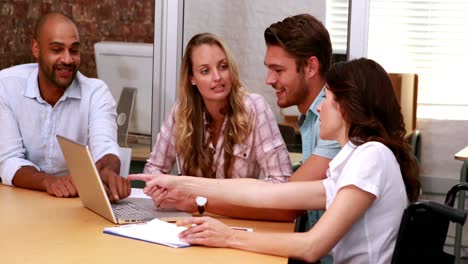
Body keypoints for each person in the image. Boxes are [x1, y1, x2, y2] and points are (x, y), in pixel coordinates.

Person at [131, 58, 421, 263]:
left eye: (328, 98)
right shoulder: (359, 158)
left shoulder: (372, 157)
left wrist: (228, 236)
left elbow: (311, 246)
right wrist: (180, 182)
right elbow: (266, 192)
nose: (320, 106)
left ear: (347, 108)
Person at [141, 32, 292, 212]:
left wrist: (203, 203)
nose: (217, 77)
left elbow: (281, 183)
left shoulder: (254, 108)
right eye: (205, 71)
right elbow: (154, 170)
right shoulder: (181, 112)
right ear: (192, 78)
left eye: (222, 67)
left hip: (238, 221)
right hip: (191, 222)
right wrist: (159, 190)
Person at [0, 12, 130, 201]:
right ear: (36, 49)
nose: (67, 59)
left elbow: (105, 147)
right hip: (21, 202)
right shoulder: (6, 86)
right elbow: (9, 160)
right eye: (56, 50)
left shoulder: (96, 93)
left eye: (74, 50)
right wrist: (49, 182)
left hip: (77, 205)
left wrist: (109, 172)